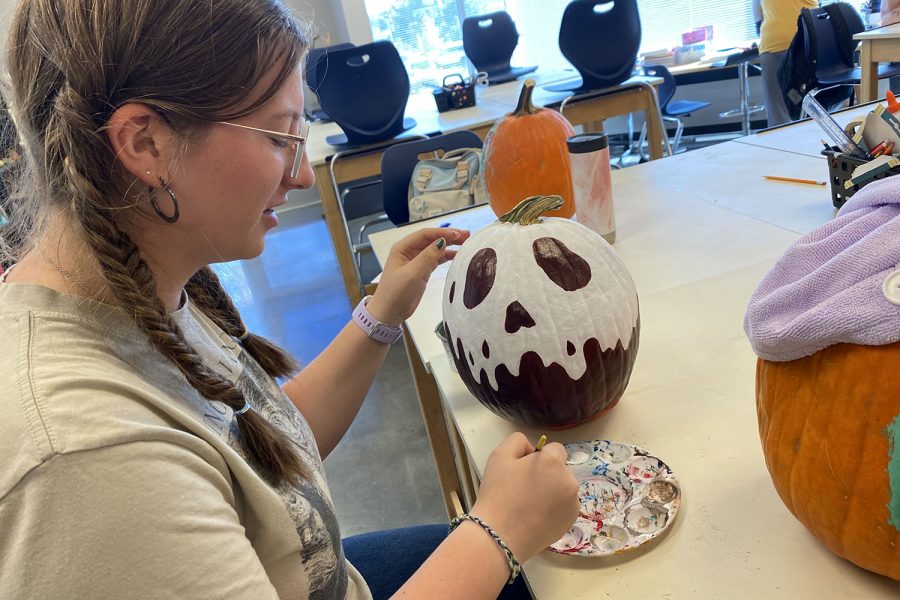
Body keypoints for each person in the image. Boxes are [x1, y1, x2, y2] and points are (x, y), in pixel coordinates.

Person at [0, 1, 579, 599]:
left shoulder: (138, 284)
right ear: (144, 142)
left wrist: (383, 314)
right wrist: (498, 532)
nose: (302, 174)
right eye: (280, 136)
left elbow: (262, 455)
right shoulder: (87, 462)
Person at [758, 0, 818, 127]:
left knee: (778, 112)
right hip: (808, 35)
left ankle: (783, 144)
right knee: (817, 102)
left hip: (773, 41)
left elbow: (757, 13)